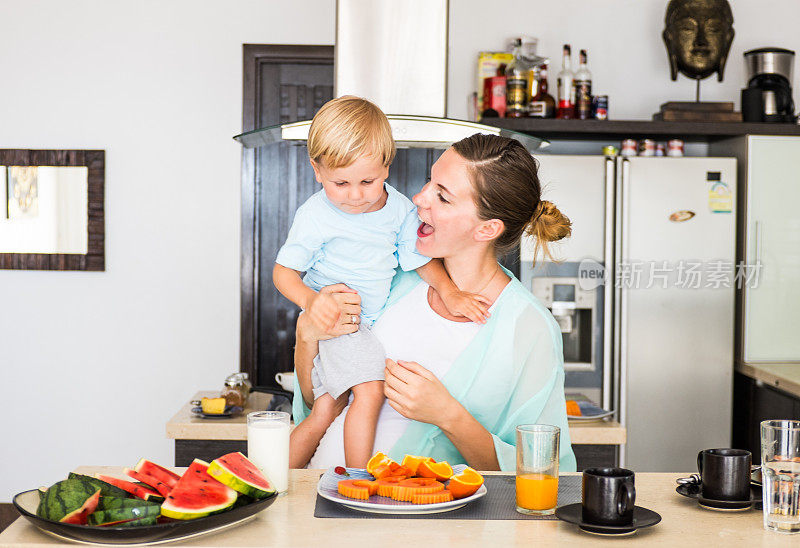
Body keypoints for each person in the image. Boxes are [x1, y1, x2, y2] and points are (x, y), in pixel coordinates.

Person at [291, 133, 578, 472]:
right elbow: (316, 401)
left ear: (487, 230)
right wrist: (306, 336)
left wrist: (448, 415)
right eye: (430, 181)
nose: (419, 198)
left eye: (442, 197)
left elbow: (541, 469)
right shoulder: (390, 276)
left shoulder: (529, 328)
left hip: (416, 518)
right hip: (321, 499)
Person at [274, 96, 489, 469]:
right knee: (371, 393)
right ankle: (358, 480)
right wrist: (313, 302)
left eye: (367, 181)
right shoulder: (315, 215)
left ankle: (275, 481)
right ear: (316, 171)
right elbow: (283, 273)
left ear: (387, 167)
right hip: (344, 321)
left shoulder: (401, 210)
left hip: (367, 326)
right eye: (340, 182)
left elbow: (418, 261)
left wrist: (450, 292)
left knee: (324, 411)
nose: (355, 195)